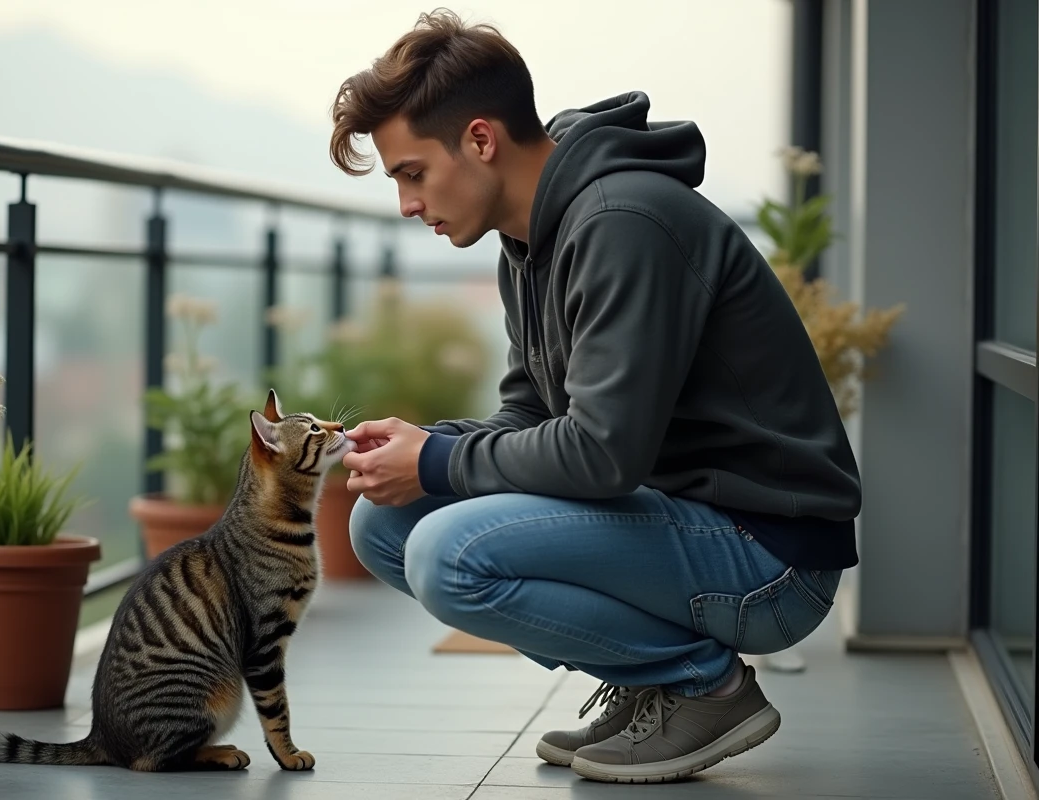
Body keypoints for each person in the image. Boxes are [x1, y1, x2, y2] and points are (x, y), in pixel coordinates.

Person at [329, 8, 859, 785]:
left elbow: (602, 452)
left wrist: (441, 460)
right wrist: (417, 448)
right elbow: (531, 419)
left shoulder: (623, 223)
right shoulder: (528, 242)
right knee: (383, 524)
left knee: (449, 555)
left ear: (480, 140)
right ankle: (655, 679)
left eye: (413, 173)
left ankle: (701, 686)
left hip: (770, 558)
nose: (408, 204)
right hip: (679, 513)